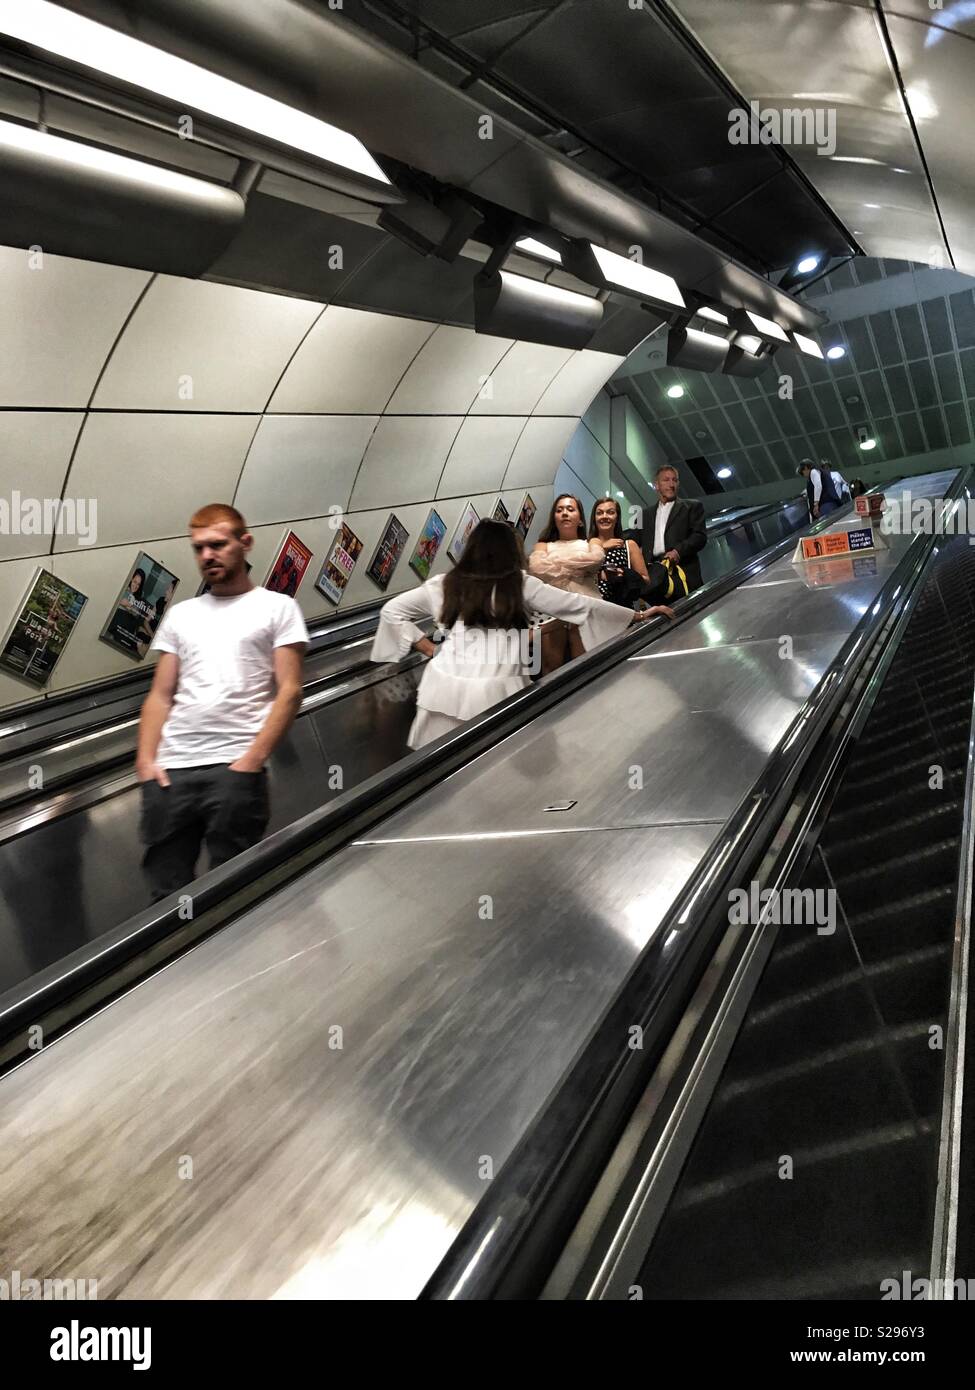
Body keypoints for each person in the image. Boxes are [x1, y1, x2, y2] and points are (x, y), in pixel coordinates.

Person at [371, 520, 672, 750]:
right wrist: (637, 614)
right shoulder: (519, 583)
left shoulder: (443, 583)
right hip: (497, 687)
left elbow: (391, 612)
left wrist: (429, 650)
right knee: (494, 763)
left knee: (440, 765)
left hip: (442, 688)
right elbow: (576, 605)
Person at [135, 503, 308, 903]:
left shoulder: (278, 608)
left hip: (234, 767)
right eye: (198, 548)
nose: (207, 556)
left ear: (244, 543)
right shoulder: (181, 615)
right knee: (164, 890)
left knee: (233, 886)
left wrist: (250, 761)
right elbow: (160, 695)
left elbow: (290, 690)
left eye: (217, 544)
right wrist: (146, 761)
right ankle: (174, 964)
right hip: (171, 770)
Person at [528, 494, 608, 673]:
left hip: (586, 607)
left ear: (580, 519)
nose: (564, 513)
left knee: (586, 667)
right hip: (550, 610)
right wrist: (579, 570)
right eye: (559, 510)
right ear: (554, 518)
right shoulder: (543, 545)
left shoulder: (592, 541)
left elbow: (595, 559)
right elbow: (537, 567)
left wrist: (555, 566)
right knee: (550, 669)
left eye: (570, 509)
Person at [626, 465, 707, 593]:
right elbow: (632, 541)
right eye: (666, 480)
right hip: (654, 575)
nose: (671, 484)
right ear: (656, 485)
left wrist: (678, 551)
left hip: (682, 572)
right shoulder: (643, 515)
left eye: (675, 480)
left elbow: (699, 536)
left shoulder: (692, 507)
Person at [589, 497, 662, 607]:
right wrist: (603, 548)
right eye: (599, 513)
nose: (604, 516)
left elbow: (646, 580)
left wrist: (623, 574)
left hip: (621, 608)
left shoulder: (629, 545)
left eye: (610, 512)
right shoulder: (585, 545)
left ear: (617, 517)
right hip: (592, 608)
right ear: (594, 518)